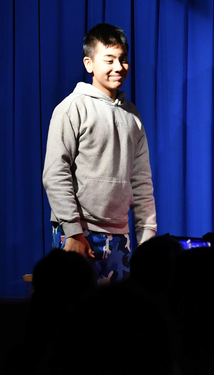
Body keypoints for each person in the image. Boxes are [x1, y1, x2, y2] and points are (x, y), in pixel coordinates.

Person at [42, 23, 157, 283]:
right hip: (78, 231)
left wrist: (147, 235)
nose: (119, 67)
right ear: (89, 63)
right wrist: (72, 231)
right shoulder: (72, 108)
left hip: (119, 235)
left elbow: (141, 179)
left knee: (117, 307)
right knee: (75, 304)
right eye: (109, 59)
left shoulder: (132, 116)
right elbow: (55, 173)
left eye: (123, 59)